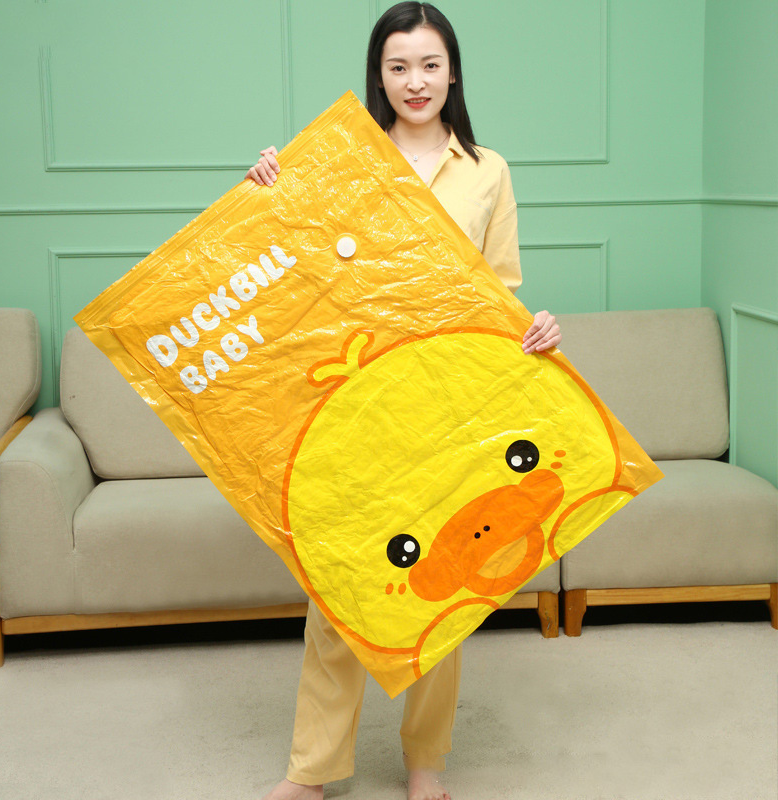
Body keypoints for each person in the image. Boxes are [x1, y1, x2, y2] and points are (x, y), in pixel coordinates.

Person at [247, 4, 561, 799]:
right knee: (338, 588)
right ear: (378, 76)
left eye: (428, 64)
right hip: (356, 399)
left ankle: (426, 762)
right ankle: (312, 771)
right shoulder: (343, 161)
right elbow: (292, 259)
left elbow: (499, 292)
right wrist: (267, 189)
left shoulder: (488, 170)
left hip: (448, 404)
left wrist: (535, 330)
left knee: (445, 580)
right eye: (398, 66)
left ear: (452, 72)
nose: (414, 81)